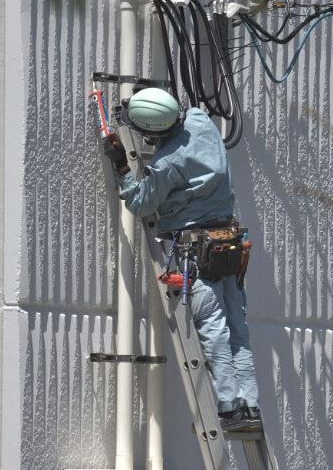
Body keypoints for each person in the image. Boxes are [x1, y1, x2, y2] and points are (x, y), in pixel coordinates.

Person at [102, 87, 261, 432]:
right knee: (237, 330)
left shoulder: (167, 162)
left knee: (214, 330)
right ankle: (249, 407)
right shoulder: (202, 122)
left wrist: (121, 167)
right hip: (229, 246)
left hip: (196, 254)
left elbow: (142, 203)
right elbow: (182, 111)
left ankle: (231, 410)